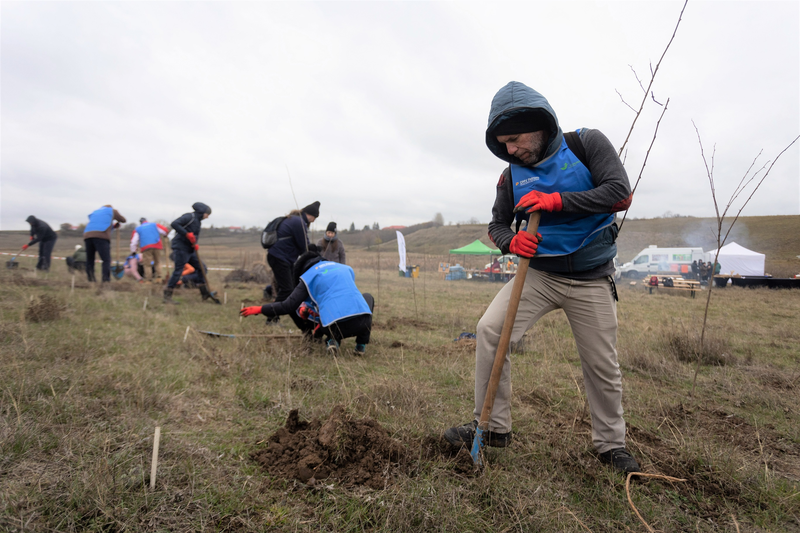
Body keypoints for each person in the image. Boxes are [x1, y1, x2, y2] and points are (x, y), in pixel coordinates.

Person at [443, 81, 640, 474]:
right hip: (538, 275)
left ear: (540, 125)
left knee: (601, 363)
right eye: (503, 143)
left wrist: (557, 202)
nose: (510, 149)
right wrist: (512, 242)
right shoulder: (511, 176)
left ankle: (611, 446)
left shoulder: (586, 145)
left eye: (515, 139)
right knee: (490, 330)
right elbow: (496, 225)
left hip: (591, 277)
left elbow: (620, 192)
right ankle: (493, 427)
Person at [241, 251, 373, 355]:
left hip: (334, 328)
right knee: (367, 297)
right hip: (363, 323)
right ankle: (360, 345)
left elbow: (288, 306)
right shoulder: (346, 268)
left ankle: (332, 340)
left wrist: (260, 309)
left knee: (327, 306)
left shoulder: (308, 276)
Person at [265, 201, 320, 304]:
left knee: (291, 287)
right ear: (311, 215)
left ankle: (288, 311)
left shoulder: (293, 219)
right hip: (280, 258)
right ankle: (272, 316)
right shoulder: (299, 222)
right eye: (314, 218)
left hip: (278, 257)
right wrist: (314, 252)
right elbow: (304, 246)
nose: (313, 221)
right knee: (287, 289)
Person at [164, 202, 218, 304]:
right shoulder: (190, 217)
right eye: (207, 214)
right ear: (202, 212)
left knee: (202, 268)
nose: (207, 217)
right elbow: (174, 224)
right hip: (181, 247)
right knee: (178, 271)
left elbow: (194, 235)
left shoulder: (198, 221)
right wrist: (186, 234)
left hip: (190, 249)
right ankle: (167, 296)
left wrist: (195, 243)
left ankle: (204, 293)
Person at [83, 205, 126, 283]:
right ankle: (105, 280)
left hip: (87, 235)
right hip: (101, 235)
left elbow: (98, 223)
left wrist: (113, 226)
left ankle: (91, 280)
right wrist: (117, 220)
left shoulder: (95, 212)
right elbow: (123, 220)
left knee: (90, 259)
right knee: (106, 259)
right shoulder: (112, 211)